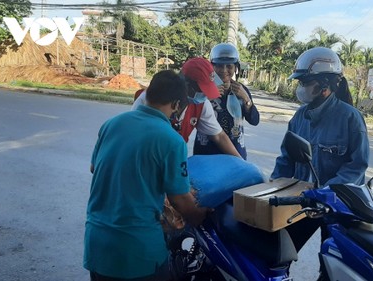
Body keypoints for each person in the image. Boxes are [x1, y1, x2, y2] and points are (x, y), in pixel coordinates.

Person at [84, 70, 209, 281]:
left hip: (97, 246)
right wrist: (200, 216)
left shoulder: (111, 124)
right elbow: (180, 200)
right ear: (177, 105)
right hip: (137, 253)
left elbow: (94, 168)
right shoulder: (172, 140)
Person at [270, 47, 370, 277]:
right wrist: (274, 184)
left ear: (325, 86)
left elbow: (357, 165)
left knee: (332, 264)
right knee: (278, 253)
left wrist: (326, 192)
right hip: (302, 202)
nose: (301, 88)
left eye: (305, 82)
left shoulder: (350, 118)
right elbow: (286, 157)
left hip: (336, 206)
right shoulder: (299, 117)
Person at [132, 57, 241, 158]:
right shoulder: (152, 99)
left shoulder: (201, 104)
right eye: (201, 90)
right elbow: (134, 136)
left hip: (174, 159)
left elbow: (219, 136)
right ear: (185, 83)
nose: (204, 95)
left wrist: (241, 162)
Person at [193, 43, 260, 160]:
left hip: (236, 155)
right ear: (212, 67)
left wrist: (246, 99)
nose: (224, 70)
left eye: (229, 66)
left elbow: (254, 120)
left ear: (236, 68)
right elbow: (190, 118)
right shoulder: (202, 90)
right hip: (206, 155)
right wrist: (206, 98)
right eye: (219, 66)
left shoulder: (242, 91)